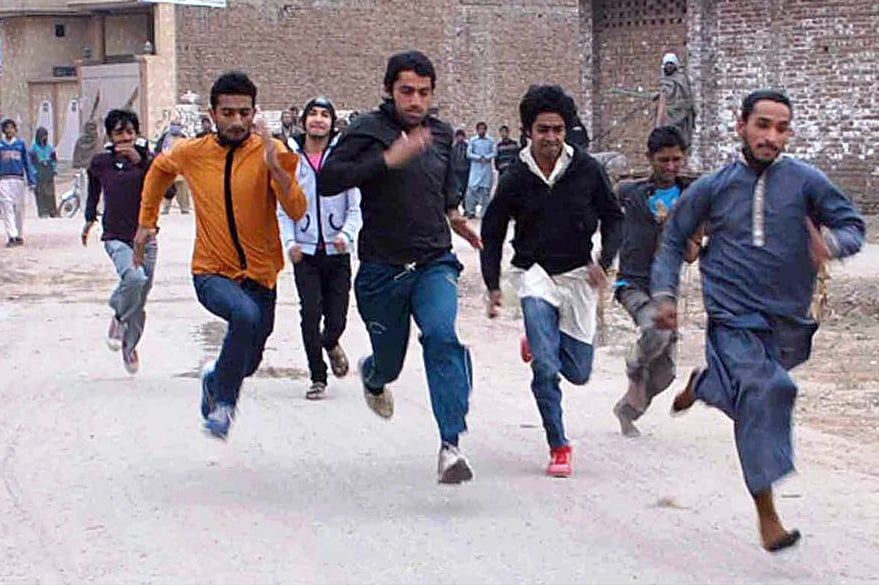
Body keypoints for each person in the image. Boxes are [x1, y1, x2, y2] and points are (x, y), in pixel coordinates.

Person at [653, 89, 864, 552]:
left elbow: (853, 225)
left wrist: (831, 243)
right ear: (742, 125)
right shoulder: (714, 186)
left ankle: (706, 385)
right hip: (731, 316)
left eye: (781, 128)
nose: (771, 136)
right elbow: (674, 241)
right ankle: (768, 518)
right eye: (763, 125)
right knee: (768, 390)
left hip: (787, 321)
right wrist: (665, 295)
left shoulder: (807, 182)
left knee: (756, 389)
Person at [319, 50, 483, 484]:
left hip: (433, 260)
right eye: (407, 91)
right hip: (381, 270)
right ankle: (372, 376)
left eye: (424, 93)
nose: (415, 101)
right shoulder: (367, 131)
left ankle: (451, 445)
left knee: (442, 336)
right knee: (389, 364)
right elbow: (328, 179)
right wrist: (386, 161)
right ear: (389, 90)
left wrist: (458, 220)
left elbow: (447, 193)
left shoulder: (441, 135)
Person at [135, 71, 307, 440]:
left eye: (244, 113)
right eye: (228, 113)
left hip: (261, 275)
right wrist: (146, 222)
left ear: (255, 112)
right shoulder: (193, 152)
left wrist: (277, 169)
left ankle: (216, 377)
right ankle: (224, 406)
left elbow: (296, 209)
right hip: (211, 272)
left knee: (248, 360)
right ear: (212, 114)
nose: (237, 121)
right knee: (243, 316)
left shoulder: (272, 150)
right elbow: (159, 170)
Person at [480, 85, 623, 477]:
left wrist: (604, 261)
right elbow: (492, 231)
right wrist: (493, 285)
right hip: (534, 275)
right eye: (543, 130)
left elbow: (614, 218)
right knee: (545, 367)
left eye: (558, 130)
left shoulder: (587, 170)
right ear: (529, 131)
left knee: (578, 372)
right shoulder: (515, 176)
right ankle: (558, 444)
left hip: (577, 275)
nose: (551, 138)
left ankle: (541, 337)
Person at [612, 125, 698, 437]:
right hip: (632, 284)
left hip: (667, 292)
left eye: (677, 159)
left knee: (666, 373)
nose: (671, 167)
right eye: (664, 160)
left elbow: (690, 255)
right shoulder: (630, 193)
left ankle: (627, 410)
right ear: (650, 159)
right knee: (656, 331)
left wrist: (676, 228)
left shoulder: (691, 197)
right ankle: (634, 362)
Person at [277, 96, 362, 400]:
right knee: (310, 312)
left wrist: (346, 235)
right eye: (313, 113)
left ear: (332, 122)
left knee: (336, 316)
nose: (318, 119)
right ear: (304, 121)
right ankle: (317, 376)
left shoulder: (342, 159)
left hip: (337, 252)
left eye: (324, 114)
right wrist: (290, 243)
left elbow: (355, 207)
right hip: (306, 251)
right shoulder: (291, 158)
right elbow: (284, 207)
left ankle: (331, 342)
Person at [82, 110, 155, 374]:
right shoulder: (100, 163)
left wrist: (143, 163)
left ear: (137, 134)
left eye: (130, 132)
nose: (125, 138)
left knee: (139, 297)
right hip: (116, 237)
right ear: (110, 136)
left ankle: (129, 344)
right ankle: (117, 316)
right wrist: (89, 220)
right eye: (119, 133)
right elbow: (93, 194)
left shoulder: (148, 160)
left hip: (147, 238)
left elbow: (167, 190)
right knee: (134, 279)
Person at [0, 118, 36, 247]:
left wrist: (32, 180)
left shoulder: (20, 145)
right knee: (6, 207)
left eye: (12, 127)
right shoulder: (1, 145)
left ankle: (20, 235)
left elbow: (27, 163)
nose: (9, 130)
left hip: (18, 179)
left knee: (19, 209)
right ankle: (11, 236)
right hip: (4, 180)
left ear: (15, 130)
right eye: (7, 128)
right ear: (3, 130)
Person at [655, 53, 697, 147]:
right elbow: (664, 98)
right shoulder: (664, 80)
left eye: (671, 64)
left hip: (681, 113)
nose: (669, 66)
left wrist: (685, 106)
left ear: (675, 65)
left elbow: (687, 96)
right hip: (668, 115)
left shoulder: (681, 79)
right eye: (667, 64)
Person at [158, 121, 192, 215]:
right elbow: (158, 149)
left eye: (177, 125)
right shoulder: (165, 137)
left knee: (182, 188)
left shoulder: (184, 138)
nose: (175, 128)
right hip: (167, 165)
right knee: (167, 188)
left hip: (181, 167)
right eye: (174, 125)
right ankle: (166, 208)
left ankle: (184, 208)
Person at [464, 121, 496, 219]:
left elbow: (494, 152)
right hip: (475, 168)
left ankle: (484, 213)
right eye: (480, 129)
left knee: (485, 191)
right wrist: (478, 158)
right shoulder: (473, 140)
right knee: (471, 190)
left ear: (486, 130)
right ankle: (470, 211)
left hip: (486, 169)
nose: (481, 131)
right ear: (477, 130)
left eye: (483, 129)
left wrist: (486, 157)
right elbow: (468, 153)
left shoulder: (490, 140)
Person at [30, 126, 58, 218]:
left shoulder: (50, 148)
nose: (44, 138)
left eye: (45, 136)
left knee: (50, 192)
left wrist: (55, 170)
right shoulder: (33, 148)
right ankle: (42, 211)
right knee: (40, 192)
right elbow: (31, 162)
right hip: (39, 170)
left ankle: (53, 211)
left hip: (48, 171)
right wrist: (34, 172)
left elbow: (54, 160)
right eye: (42, 136)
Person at [451, 128, 470, 206]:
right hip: (456, 171)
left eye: (461, 136)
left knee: (465, 189)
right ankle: (456, 205)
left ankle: (465, 206)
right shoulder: (454, 148)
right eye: (458, 136)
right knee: (458, 189)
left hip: (466, 170)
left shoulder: (468, 147)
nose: (460, 138)